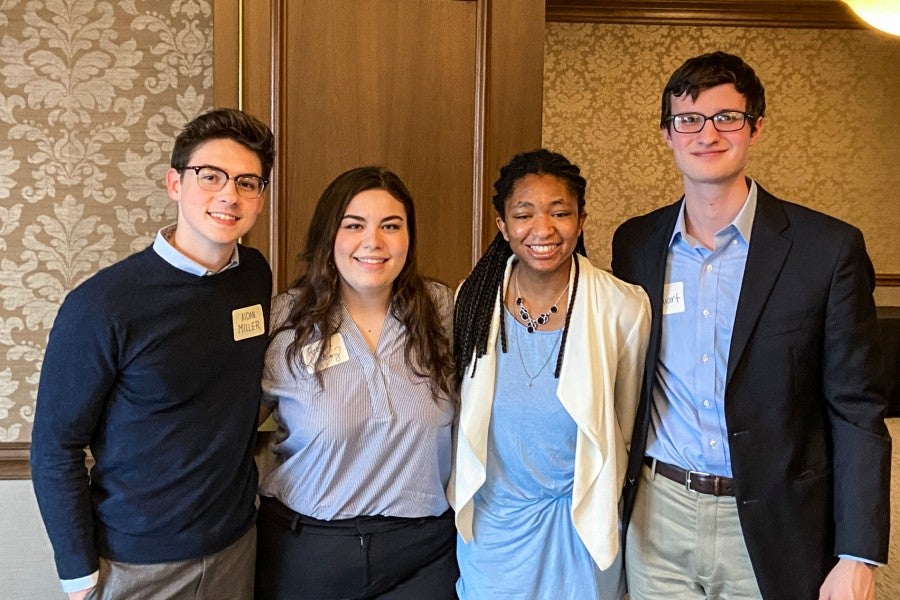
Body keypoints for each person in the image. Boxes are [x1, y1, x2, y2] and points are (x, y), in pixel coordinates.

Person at [612, 51, 890, 600]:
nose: (706, 133)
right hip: (657, 515)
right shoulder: (635, 244)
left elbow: (857, 407)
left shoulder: (826, 250)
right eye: (688, 119)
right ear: (668, 133)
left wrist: (859, 552)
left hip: (773, 517)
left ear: (755, 127)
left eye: (726, 117)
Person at [30, 107, 275, 600]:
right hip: (136, 563)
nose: (230, 194)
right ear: (174, 183)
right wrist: (79, 577)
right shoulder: (102, 305)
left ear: (260, 198)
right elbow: (55, 447)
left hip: (237, 544)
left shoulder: (255, 276)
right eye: (211, 176)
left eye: (248, 182)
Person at [449, 149, 651, 599]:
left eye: (560, 212)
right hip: (495, 525)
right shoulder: (475, 298)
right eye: (524, 214)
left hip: (582, 522)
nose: (542, 229)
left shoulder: (623, 306)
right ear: (502, 226)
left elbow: (626, 422)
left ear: (581, 220)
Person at [254, 166, 458, 600]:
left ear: (409, 237)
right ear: (329, 236)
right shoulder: (284, 321)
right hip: (308, 551)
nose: (373, 242)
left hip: (424, 554)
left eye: (391, 226)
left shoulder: (443, 311)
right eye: (354, 225)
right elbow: (228, 431)